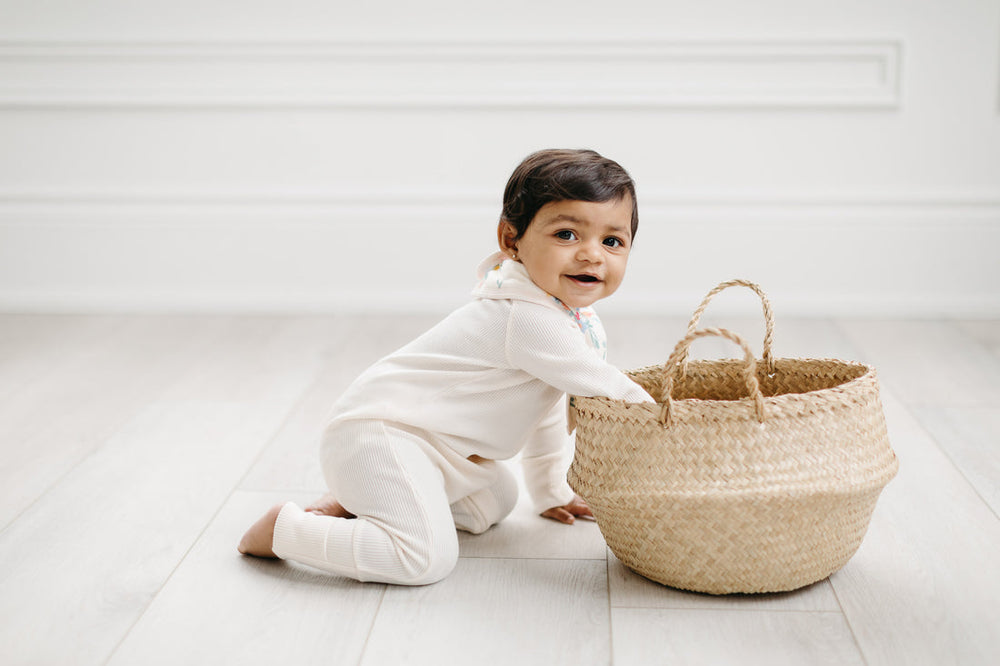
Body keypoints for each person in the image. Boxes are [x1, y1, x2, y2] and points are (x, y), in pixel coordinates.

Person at [238, 148, 656, 585]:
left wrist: (551, 491)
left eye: (612, 241)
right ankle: (284, 530)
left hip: (443, 453)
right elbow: (611, 389)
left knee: (496, 500)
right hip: (382, 433)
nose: (592, 255)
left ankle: (363, 501)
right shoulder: (525, 316)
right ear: (512, 240)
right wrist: (672, 418)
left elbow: (549, 408)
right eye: (567, 235)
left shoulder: (570, 318)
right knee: (423, 559)